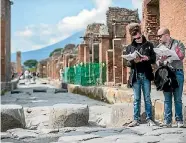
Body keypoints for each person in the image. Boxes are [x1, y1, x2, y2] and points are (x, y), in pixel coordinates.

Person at [125, 23, 156, 127]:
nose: (137, 39)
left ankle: (149, 119)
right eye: (135, 37)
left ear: (140, 32)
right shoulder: (129, 47)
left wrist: (147, 58)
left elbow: (154, 59)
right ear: (132, 36)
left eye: (138, 36)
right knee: (136, 99)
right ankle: (136, 119)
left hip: (146, 74)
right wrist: (133, 61)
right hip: (135, 76)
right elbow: (128, 63)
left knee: (147, 97)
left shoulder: (149, 45)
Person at [156, 28, 185, 128]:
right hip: (166, 74)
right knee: (167, 99)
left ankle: (179, 121)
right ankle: (167, 121)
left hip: (178, 73)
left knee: (178, 98)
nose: (158, 38)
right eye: (158, 36)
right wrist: (161, 60)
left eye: (160, 36)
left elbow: (181, 56)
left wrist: (170, 55)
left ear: (167, 35)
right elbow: (157, 62)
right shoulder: (159, 47)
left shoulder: (178, 43)